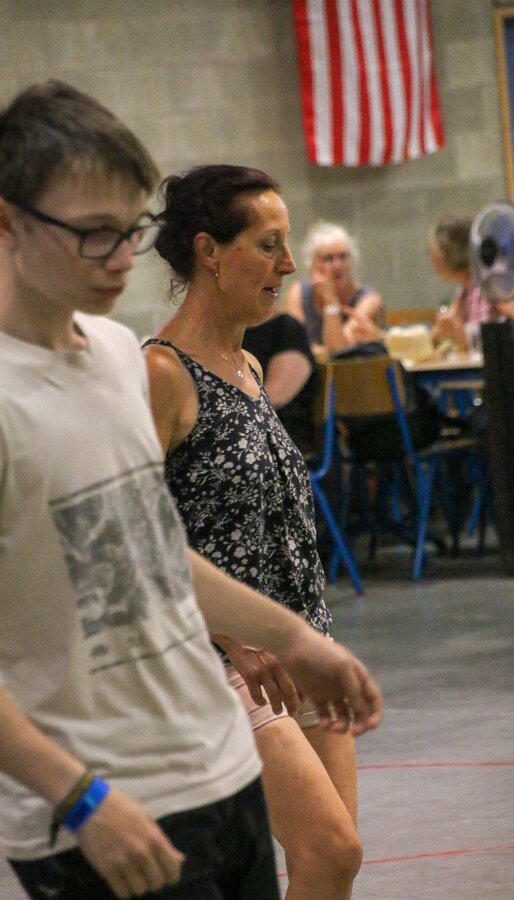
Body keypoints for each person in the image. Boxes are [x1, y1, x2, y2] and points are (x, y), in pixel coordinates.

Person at [0, 81, 382, 900]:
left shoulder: (109, 354)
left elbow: (148, 552)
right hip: (97, 802)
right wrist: (81, 797)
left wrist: (296, 638)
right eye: (93, 232)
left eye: (131, 230)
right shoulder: (109, 376)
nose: (121, 258)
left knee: (333, 858)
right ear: (8, 223)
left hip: (209, 768)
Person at [143, 165, 363, 900]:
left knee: (337, 860)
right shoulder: (161, 373)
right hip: (224, 660)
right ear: (209, 251)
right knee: (329, 850)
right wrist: (233, 635)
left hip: (302, 642)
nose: (289, 265)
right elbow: (134, 539)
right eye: (269, 246)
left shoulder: (247, 364)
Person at [285, 220, 384, 356]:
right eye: (328, 258)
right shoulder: (298, 292)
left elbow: (338, 352)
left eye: (343, 257)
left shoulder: (368, 299)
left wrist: (330, 301)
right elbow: (294, 347)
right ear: (312, 265)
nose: (337, 265)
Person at [429, 214, 514, 351]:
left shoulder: (494, 282)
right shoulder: (464, 292)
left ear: (449, 250)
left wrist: (461, 336)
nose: (431, 259)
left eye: (434, 251)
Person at [242, 310, 318, 457]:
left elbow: (273, 399)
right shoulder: (220, 335)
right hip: (239, 433)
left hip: (278, 437)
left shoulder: (285, 329)